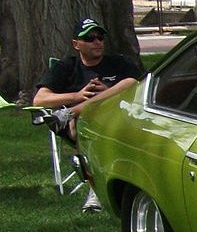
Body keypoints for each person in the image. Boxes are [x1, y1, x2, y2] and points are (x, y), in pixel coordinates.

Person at [33, 17, 143, 212]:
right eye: (90, 38)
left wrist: (108, 91)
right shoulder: (67, 67)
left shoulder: (119, 63)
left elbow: (142, 88)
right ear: (76, 44)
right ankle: (95, 189)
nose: (97, 42)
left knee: (128, 83)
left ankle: (68, 113)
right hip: (83, 125)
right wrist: (78, 95)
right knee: (82, 124)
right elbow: (39, 100)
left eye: (100, 37)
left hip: (119, 117)